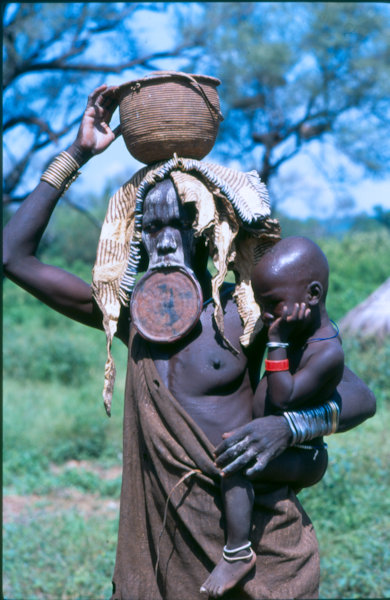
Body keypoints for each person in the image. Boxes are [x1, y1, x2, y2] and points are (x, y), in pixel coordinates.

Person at [3, 84, 376, 600]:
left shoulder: (244, 311)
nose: (165, 240)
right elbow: (13, 258)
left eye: (179, 222)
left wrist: (288, 427)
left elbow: (361, 398)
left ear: (208, 229)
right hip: (162, 546)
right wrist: (78, 154)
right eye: (151, 225)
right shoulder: (127, 314)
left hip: (252, 545)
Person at [200, 236, 343, 598]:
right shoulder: (302, 331)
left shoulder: (326, 352)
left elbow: (284, 395)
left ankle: (237, 553)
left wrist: (276, 340)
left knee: (236, 466)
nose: (266, 315)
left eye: (273, 304)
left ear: (312, 295)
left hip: (303, 456)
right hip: (289, 450)